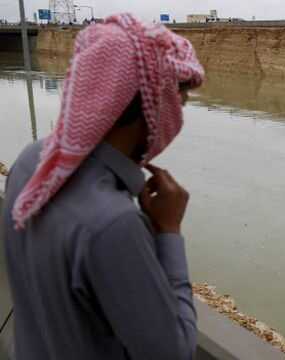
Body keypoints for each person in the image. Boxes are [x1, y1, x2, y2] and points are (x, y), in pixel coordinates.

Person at [1, 13, 204, 360]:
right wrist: (169, 231)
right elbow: (173, 353)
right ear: (152, 106)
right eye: (179, 104)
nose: (178, 120)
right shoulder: (114, 223)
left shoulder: (30, 164)